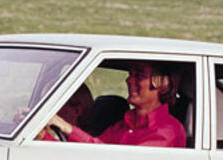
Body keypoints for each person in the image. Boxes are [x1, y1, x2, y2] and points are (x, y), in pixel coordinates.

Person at [47, 62, 186, 148]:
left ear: (161, 83)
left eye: (138, 75)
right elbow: (89, 153)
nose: (128, 80)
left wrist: (66, 127)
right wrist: (43, 137)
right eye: (130, 74)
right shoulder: (123, 125)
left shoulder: (168, 131)